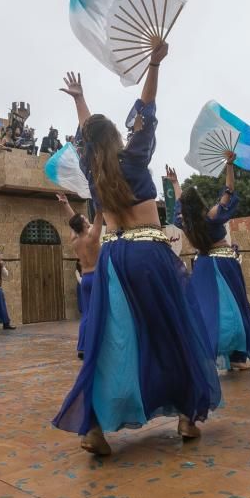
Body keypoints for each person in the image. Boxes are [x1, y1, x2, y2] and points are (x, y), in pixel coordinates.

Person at [52, 43, 221, 456]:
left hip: (113, 258)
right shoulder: (133, 160)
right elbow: (145, 110)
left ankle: (92, 426)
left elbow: (87, 138)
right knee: (174, 329)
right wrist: (154, 63)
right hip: (149, 254)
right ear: (117, 139)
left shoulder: (94, 177)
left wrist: (79, 101)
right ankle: (186, 414)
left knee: (111, 340)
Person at [167, 152, 250, 372]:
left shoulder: (184, 222)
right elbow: (228, 191)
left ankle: (210, 353)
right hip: (224, 263)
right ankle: (237, 357)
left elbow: (179, 204)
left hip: (203, 265)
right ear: (199, 202)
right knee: (234, 307)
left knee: (208, 309)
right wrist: (230, 165)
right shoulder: (211, 215)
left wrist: (175, 183)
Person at [57, 193, 103, 360]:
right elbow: (100, 213)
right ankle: (98, 345)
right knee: (99, 312)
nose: (86, 219)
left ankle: (82, 347)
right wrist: (100, 195)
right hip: (98, 278)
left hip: (85, 280)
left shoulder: (75, 240)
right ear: (84, 224)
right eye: (85, 219)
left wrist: (66, 204)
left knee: (86, 314)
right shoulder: (93, 237)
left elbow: (74, 221)